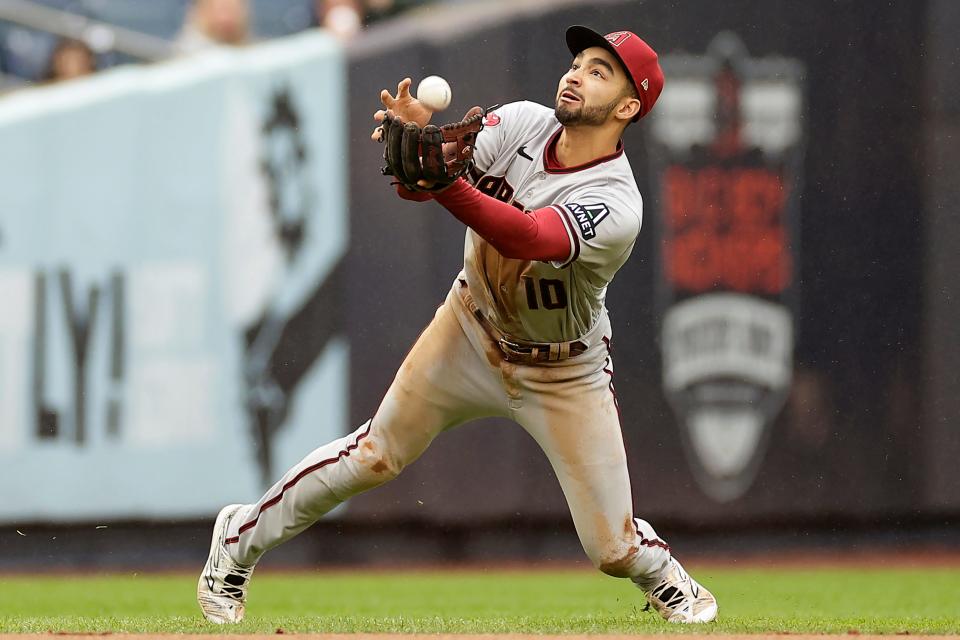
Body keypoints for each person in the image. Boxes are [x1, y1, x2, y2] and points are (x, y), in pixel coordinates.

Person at [197, 25, 719, 625]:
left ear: (629, 107)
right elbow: (422, 185)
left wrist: (445, 185)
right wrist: (421, 148)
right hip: (470, 328)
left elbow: (526, 235)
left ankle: (661, 573)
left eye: (600, 71)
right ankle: (237, 539)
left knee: (611, 549)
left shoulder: (618, 202)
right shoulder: (524, 122)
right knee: (373, 455)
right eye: (578, 61)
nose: (576, 73)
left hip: (564, 372)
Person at [175, 0, 251, 53]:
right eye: (218, 8)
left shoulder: (253, 54)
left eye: (232, 8)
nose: (225, 18)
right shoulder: (182, 60)